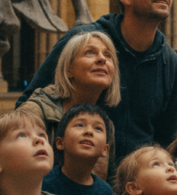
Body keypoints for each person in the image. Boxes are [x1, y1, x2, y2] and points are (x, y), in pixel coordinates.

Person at [18, 0, 177, 184]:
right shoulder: (82, 41)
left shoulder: (172, 63)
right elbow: (28, 106)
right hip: (69, 185)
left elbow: (168, 139)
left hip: (135, 191)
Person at [19, 31, 120, 180]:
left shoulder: (106, 125)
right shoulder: (35, 112)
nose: (102, 59)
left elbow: (108, 185)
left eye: (108, 55)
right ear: (68, 70)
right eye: (90, 52)